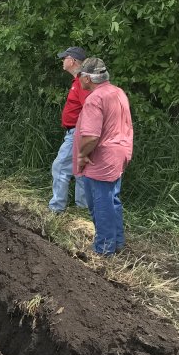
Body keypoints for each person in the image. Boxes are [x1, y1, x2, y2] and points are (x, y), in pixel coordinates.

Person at [74, 57, 133, 255]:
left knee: (100, 204)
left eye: (81, 74)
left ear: (88, 78)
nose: (79, 78)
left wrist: (82, 155)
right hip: (121, 152)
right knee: (112, 199)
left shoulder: (95, 99)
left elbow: (91, 137)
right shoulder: (117, 92)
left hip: (103, 157)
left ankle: (103, 250)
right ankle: (117, 243)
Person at [49, 46, 91, 213]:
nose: (62, 61)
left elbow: (89, 108)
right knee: (80, 170)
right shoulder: (79, 81)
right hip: (78, 132)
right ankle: (83, 208)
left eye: (64, 58)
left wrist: (83, 132)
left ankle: (56, 208)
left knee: (60, 167)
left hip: (77, 132)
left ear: (72, 61)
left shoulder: (82, 81)